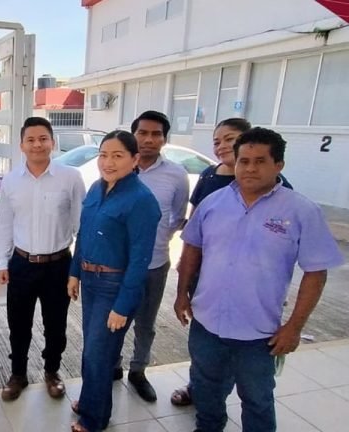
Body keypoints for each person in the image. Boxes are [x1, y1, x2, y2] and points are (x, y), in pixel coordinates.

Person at [174, 127, 344, 432]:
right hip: (207, 325)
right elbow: (192, 250)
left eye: (260, 161)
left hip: (259, 334)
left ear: (278, 165)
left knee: (257, 401)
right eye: (244, 161)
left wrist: (294, 327)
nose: (250, 168)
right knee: (207, 393)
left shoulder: (301, 210)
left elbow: (316, 272)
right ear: (234, 163)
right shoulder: (213, 203)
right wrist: (181, 294)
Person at [169, 117, 293, 407]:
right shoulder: (211, 179)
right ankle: (200, 388)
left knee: (254, 385)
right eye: (217, 141)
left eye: (230, 139)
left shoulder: (283, 196)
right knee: (207, 351)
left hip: (254, 299)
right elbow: (193, 236)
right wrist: (183, 287)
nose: (224, 145)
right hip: (208, 279)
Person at [68, 130, 161, 432]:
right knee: (93, 350)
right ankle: (90, 401)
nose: (108, 162)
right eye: (104, 155)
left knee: (99, 352)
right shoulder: (97, 187)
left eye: (118, 155)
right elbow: (83, 232)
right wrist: (74, 272)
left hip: (115, 286)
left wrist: (123, 305)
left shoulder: (142, 200)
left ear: (135, 160)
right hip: (91, 280)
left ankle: (94, 420)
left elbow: (140, 260)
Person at [0, 116, 86, 401]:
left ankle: (52, 371)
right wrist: (2, 262)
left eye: (43, 138)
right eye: (30, 139)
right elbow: (4, 223)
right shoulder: (10, 181)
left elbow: (80, 225)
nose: (37, 144)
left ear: (53, 142)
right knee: (18, 324)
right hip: (22, 264)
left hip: (58, 265)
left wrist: (76, 270)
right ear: (21, 145)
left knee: (56, 325)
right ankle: (18, 374)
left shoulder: (70, 178)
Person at [114, 111, 189, 402]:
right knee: (116, 318)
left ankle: (138, 370)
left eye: (156, 134)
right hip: (117, 264)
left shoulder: (176, 175)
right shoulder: (118, 168)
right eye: (142, 132)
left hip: (155, 264)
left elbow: (177, 217)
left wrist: (156, 242)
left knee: (146, 323)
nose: (148, 139)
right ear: (133, 135)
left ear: (164, 139)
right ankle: (112, 366)